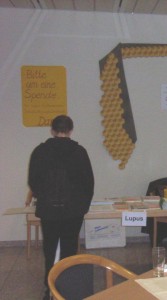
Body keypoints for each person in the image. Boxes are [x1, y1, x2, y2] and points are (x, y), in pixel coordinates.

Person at [28, 115, 94, 300]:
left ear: (52, 130)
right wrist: (82, 207)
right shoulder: (79, 152)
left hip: (49, 210)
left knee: (49, 251)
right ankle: (66, 291)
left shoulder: (40, 152)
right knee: (69, 251)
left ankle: (49, 290)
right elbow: (88, 183)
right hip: (73, 211)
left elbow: (33, 182)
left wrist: (45, 198)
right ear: (71, 130)